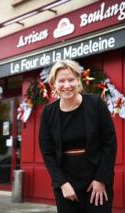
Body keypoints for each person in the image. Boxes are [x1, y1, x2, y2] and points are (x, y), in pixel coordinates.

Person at [39, 59, 117, 213]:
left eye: (71, 80)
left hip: (96, 178)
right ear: (54, 83)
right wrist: (62, 183)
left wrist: (101, 179)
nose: (67, 85)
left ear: (78, 80)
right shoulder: (48, 113)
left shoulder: (96, 104)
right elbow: (47, 153)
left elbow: (110, 143)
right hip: (65, 181)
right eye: (61, 81)